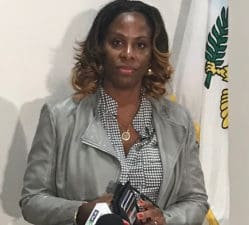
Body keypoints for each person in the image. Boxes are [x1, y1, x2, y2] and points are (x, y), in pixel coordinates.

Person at [19, 0, 209, 225]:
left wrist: (165, 220)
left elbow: (195, 200)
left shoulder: (178, 121)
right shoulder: (59, 117)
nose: (128, 54)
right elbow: (32, 200)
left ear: (152, 54)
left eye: (140, 45)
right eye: (117, 42)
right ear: (100, 48)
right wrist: (79, 211)